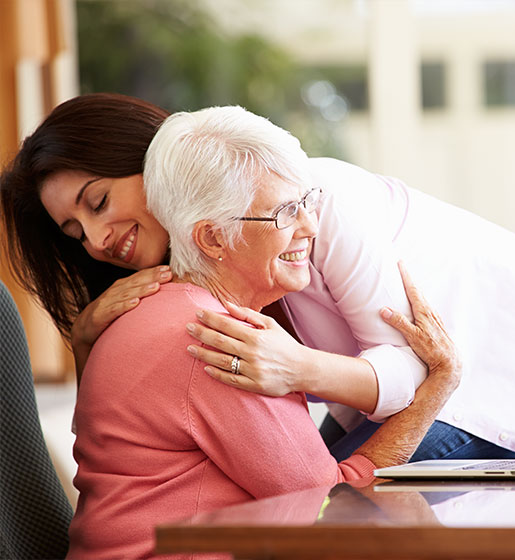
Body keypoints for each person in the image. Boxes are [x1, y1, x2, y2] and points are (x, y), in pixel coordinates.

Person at [1, 94, 515, 461]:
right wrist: (83, 341)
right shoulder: (185, 286)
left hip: (506, 363)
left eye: (98, 202)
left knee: (336, 503)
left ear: (151, 160)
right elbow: (107, 442)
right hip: (407, 391)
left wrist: (296, 368)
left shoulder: (304, 203)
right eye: (76, 233)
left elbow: (409, 369)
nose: (98, 240)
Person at [63, 105, 462, 558]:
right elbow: (332, 508)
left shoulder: (168, 311)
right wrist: (439, 384)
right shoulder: (215, 338)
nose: (310, 227)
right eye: (286, 213)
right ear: (213, 238)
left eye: (308, 202)